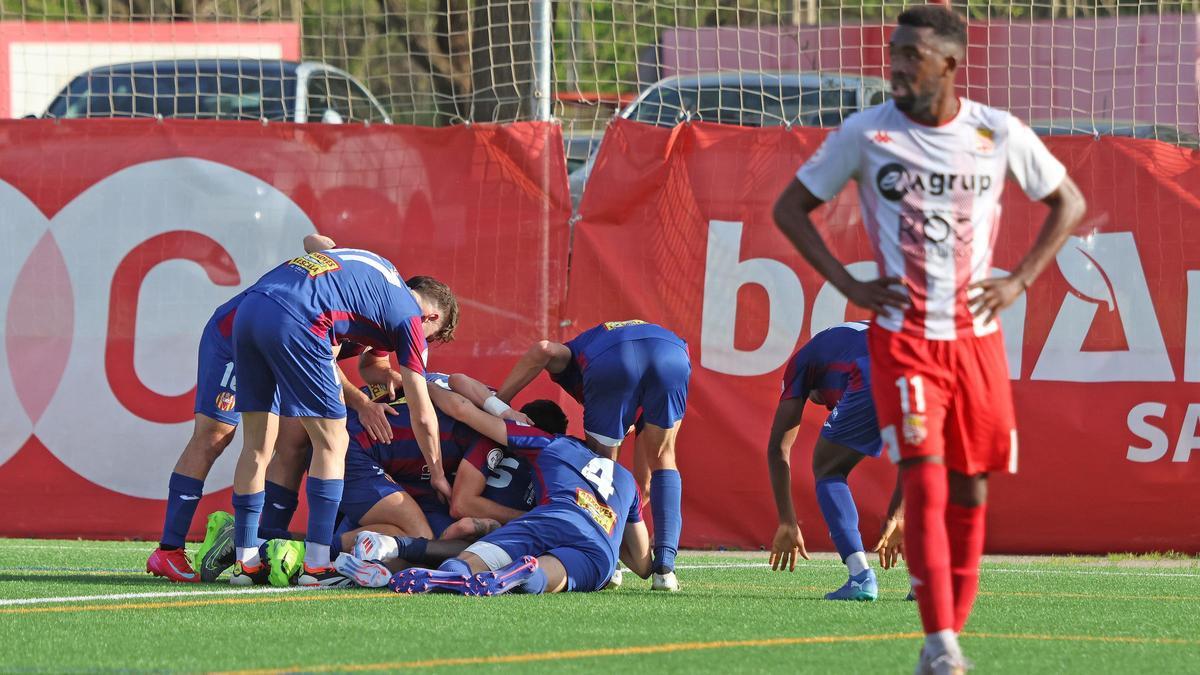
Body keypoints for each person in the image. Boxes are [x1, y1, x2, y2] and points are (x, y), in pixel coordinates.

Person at [772, 6, 1086, 671]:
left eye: (913, 54)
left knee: (972, 488)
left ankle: (944, 636)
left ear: (949, 63)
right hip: (903, 339)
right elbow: (789, 208)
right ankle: (941, 641)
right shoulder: (866, 133)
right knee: (924, 477)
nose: (897, 65)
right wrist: (848, 284)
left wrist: (1021, 279)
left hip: (976, 342)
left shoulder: (996, 133)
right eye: (894, 52)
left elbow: (1069, 202)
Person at [145, 235, 405, 583]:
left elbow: (372, 363)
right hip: (236, 337)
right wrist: (362, 403)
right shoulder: (360, 294)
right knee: (215, 436)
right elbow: (324, 356)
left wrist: (386, 374)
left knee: (292, 441)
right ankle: (169, 549)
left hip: (283, 348)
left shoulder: (383, 321)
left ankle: (261, 546)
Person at [227, 248, 458, 588]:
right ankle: (317, 564)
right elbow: (422, 414)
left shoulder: (381, 282)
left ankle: (245, 560)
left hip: (250, 307)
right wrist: (437, 473)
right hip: (298, 318)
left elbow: (369, 363)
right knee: (333, 442)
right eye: (432, 340)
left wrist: (388, 378)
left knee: (258, 446)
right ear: (432, 320)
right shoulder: (410, 319)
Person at [494, 320, 690, 591]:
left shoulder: (574, 357)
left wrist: (498, 403)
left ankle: (607, 561)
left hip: (613, 358)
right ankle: (666, 569)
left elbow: (543, 350)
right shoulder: (646, 383)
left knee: (601, 467)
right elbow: (643, 486)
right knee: (664, 458)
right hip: (673, 352)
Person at [388, 433, 651, 596]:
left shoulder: (557, 445)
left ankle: (454, 571)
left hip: (548, 516)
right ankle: (523, 576)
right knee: (550, 575)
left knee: (467, 557)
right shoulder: (628, 481)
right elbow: (641, 565)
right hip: (597, 545)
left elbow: (473, 414)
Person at [766, 321, 904, 600]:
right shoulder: (842, 344)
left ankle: (860, 576)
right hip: (924, 366)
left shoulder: (801, 364)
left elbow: (778, 449)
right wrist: (897, 514)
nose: (830, 407)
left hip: (876, 368)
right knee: (922, 461)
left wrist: (787, 521)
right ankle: (926, 581)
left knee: (828, 468)